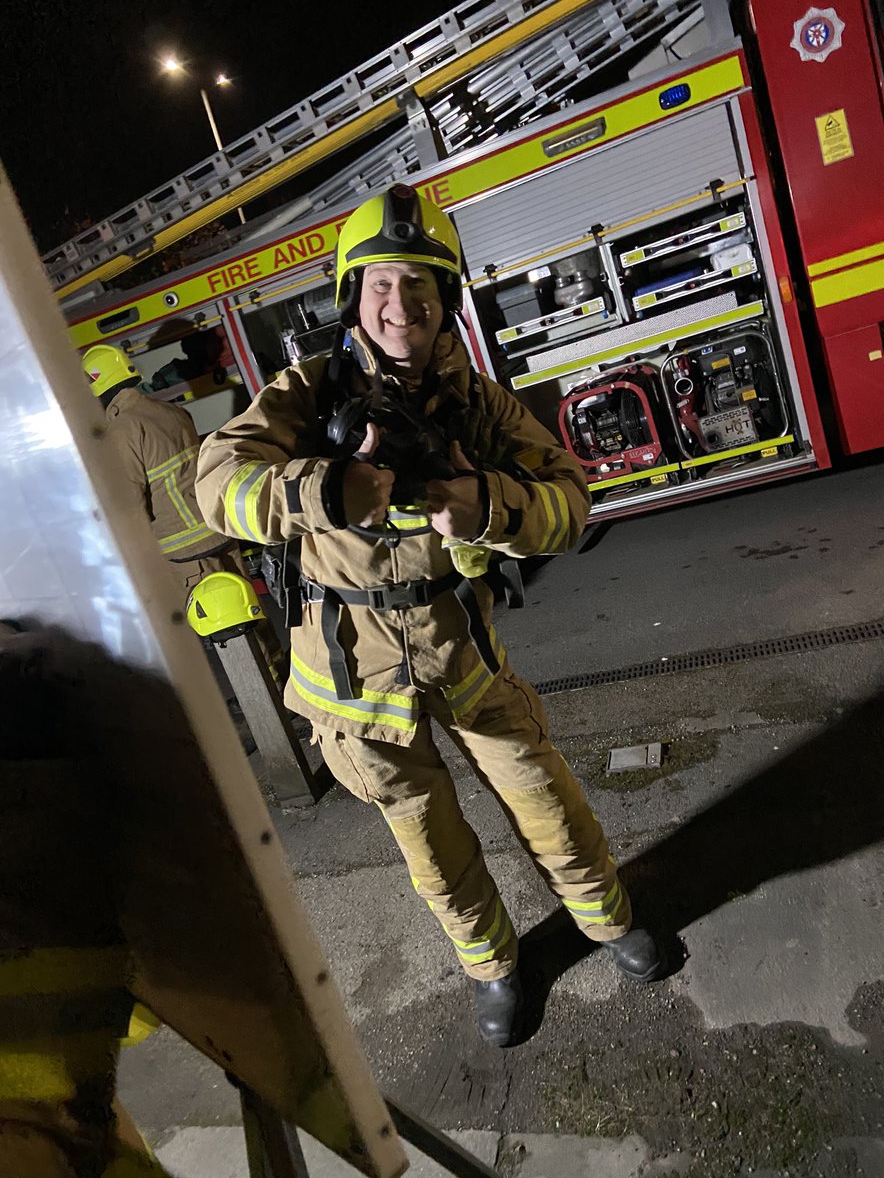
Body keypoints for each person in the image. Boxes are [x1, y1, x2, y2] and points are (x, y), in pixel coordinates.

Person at [195, 184, 662, 1047]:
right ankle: (494, 969)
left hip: (463, 655)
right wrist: (325, 487)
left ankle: (608, 922)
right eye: (379, 285)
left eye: (420, 286)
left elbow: (572, 499)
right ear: (352, 296)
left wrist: (483, 503)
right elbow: (218, 484)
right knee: (433, 853)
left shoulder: (476, 405)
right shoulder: (304, 396)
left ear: (446, 299)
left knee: (548, 804)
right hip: (351, 685)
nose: (399, 304)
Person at [81, 345, 284, 679]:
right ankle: (278, 677)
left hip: (185, 551)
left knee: (224, 625)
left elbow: (128, 502)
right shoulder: (170, 412)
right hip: (219, 528)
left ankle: (265, 697)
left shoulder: (123, 431)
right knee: (247, 610)